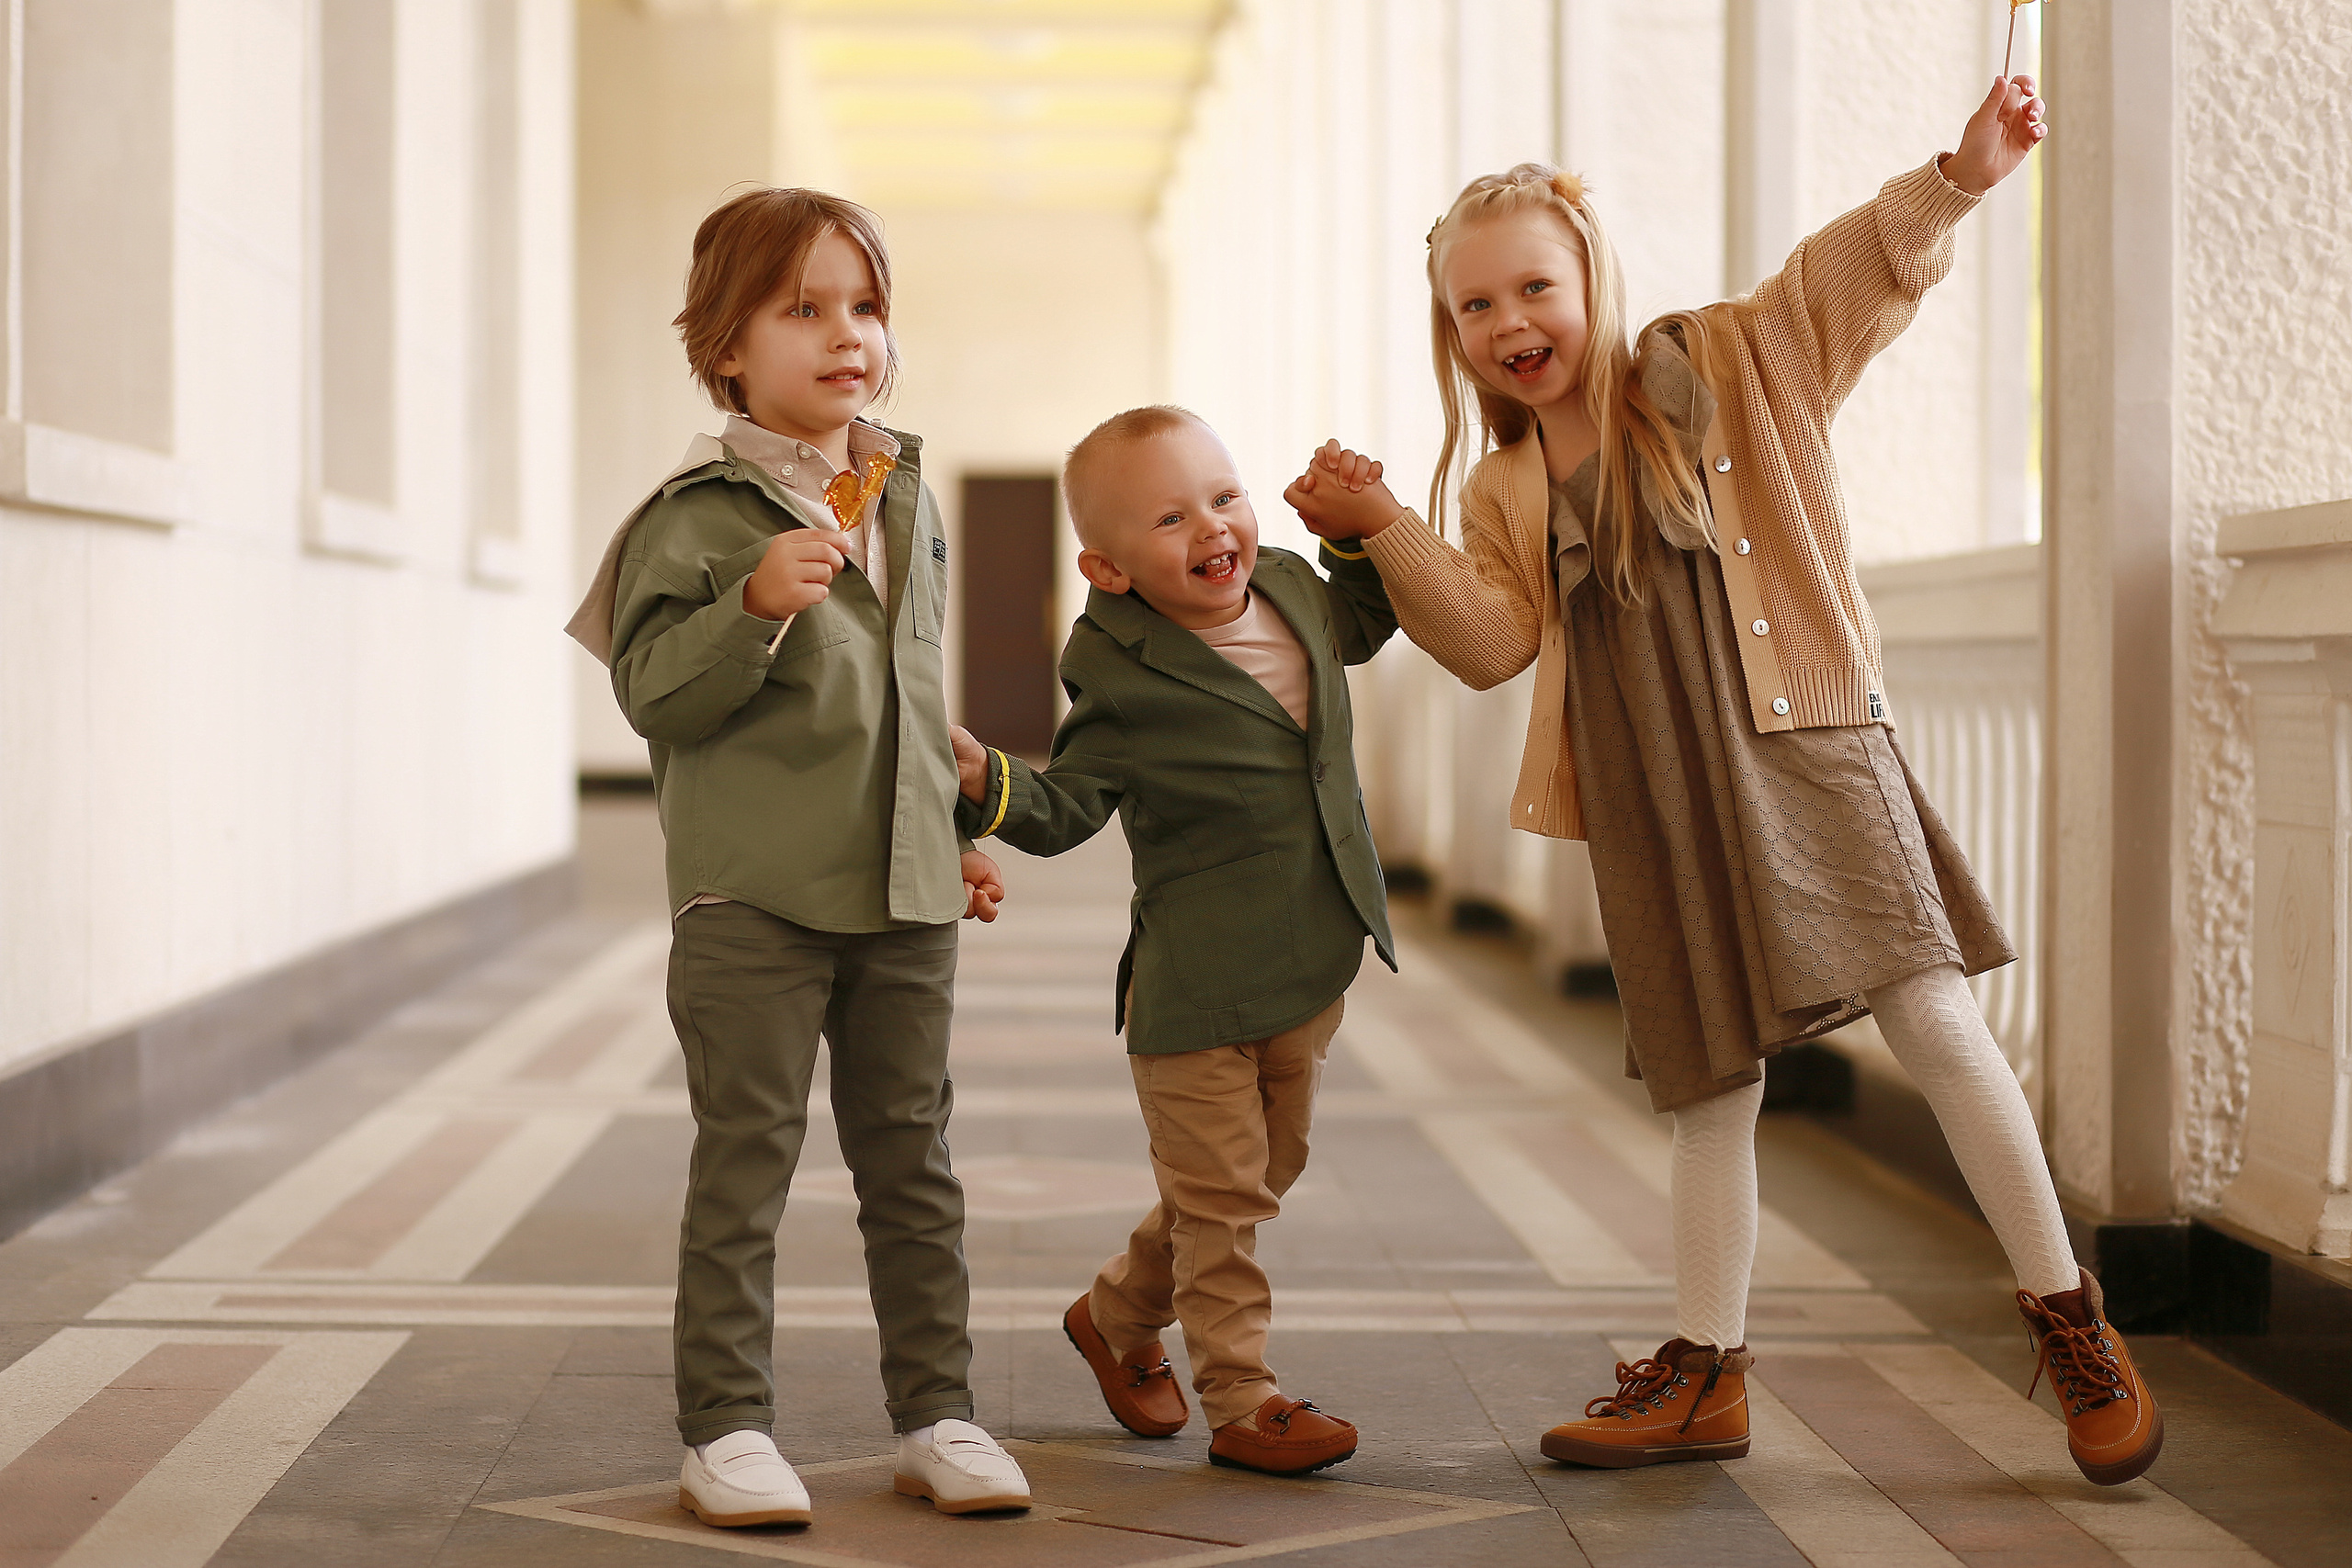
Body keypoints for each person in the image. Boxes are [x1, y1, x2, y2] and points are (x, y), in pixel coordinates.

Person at [1286, 77, 2161, 1487]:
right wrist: (1381, 522)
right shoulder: (1503, 488)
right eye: (1473, 309)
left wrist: (1961, 175)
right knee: (1706, 1089)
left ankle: (2073, 1320)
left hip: (1808, 743)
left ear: (1590, 273)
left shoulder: (1725, 363)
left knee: (1932, 1017)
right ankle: (1706, 1368)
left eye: (1532, 288)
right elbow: (1494, 643)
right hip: (1652, 793)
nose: (1508, 325)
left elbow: (1845, 276)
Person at [566, 186, 1030, 1526]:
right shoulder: (695, 515)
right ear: (728, 346)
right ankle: (725, 1426)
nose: (848, 334)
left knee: (913, 1161)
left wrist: (949, 837)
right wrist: (750, 607)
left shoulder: (901, 490)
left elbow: (906, 700)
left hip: (902, 894)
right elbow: (655, 695)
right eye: (806, 307)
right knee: (746, 1159)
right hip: (753, 900)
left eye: (867, 305)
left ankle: (936, 1409)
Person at [949, 405, 1396, 1475]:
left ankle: (1112, 1317)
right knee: (1224, 1198)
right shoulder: (1122, 677)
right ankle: (1243, 1400)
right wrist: (986, 784)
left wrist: (1352, 532)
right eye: (1169, 517)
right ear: (1105, 567)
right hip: (1194, 986)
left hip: (1311, 948)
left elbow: (1365, 626)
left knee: (1258, 1174)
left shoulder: (1290, 588)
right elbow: (1067, 812)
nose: (1212, 527)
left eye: (1223, 496)